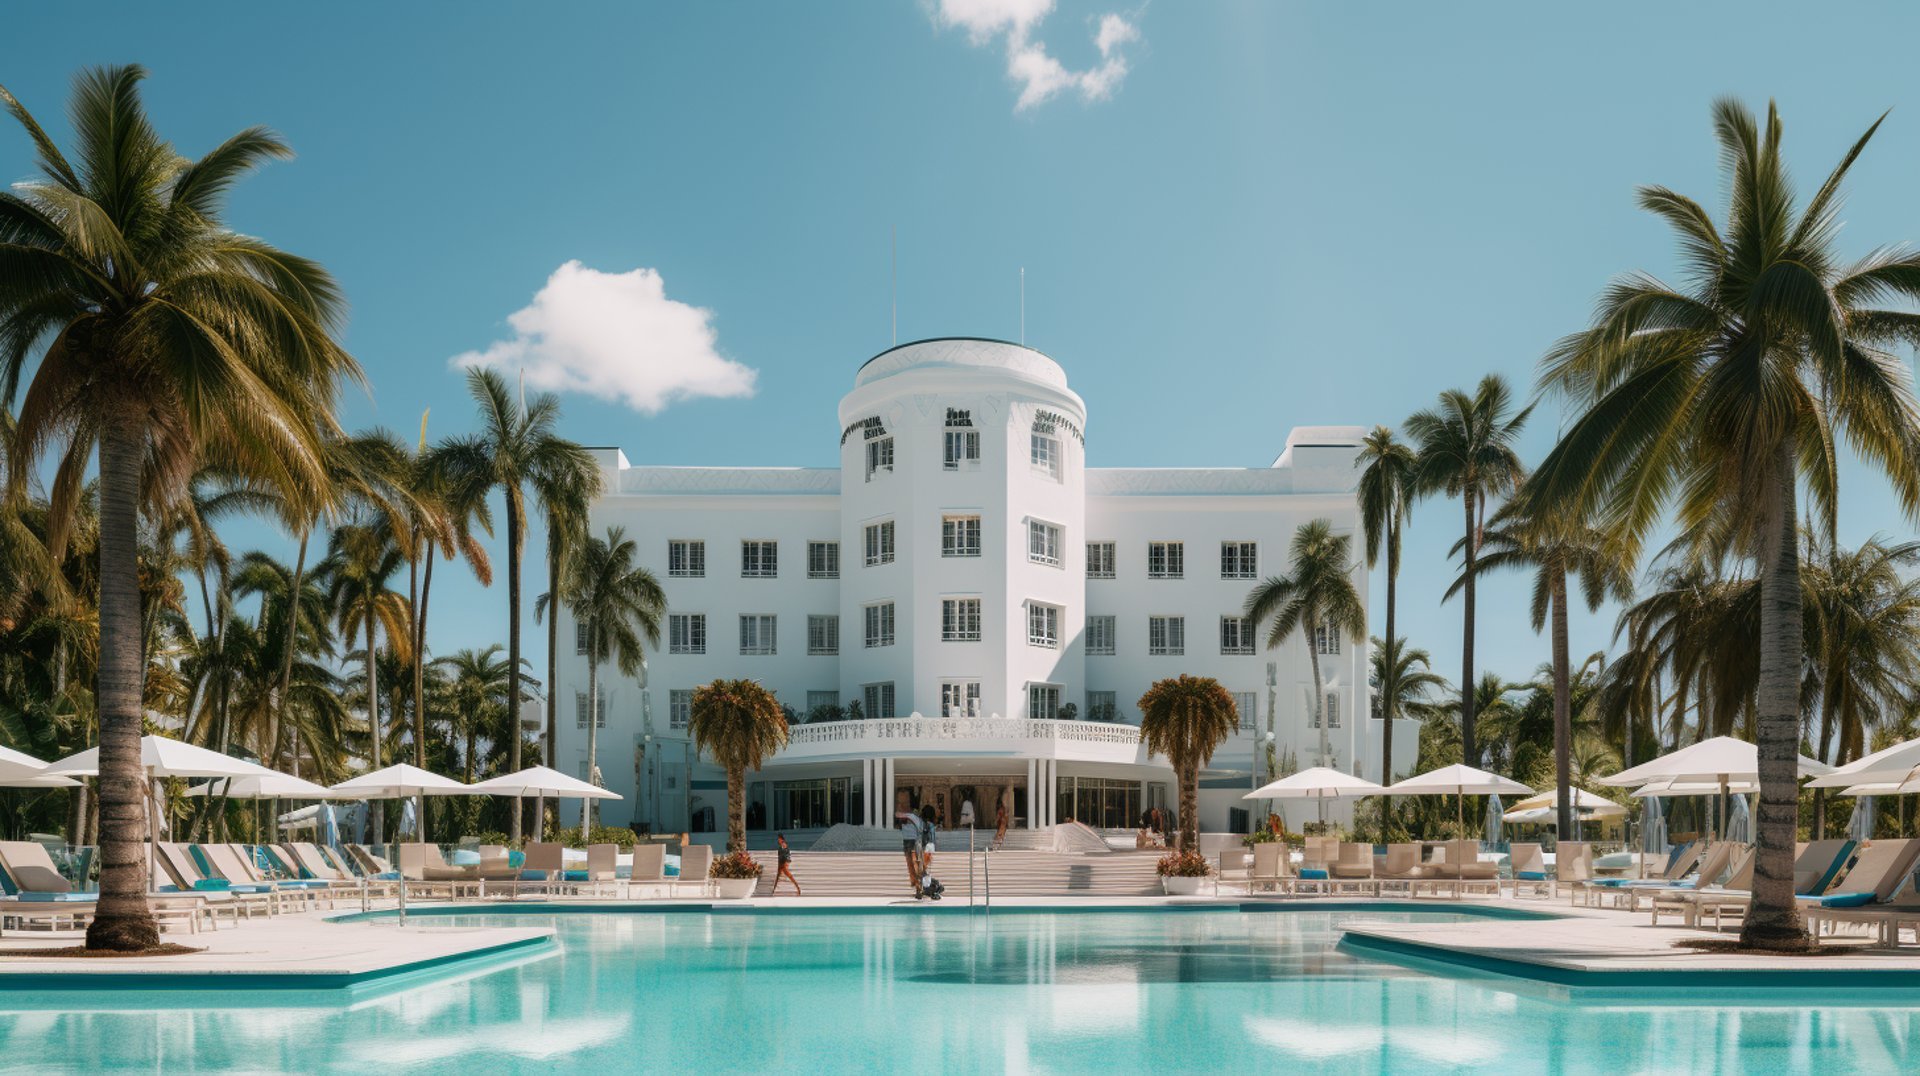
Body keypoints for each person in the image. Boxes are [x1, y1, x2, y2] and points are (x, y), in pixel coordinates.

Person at [896, 800, 924, 898]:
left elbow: (898, 814)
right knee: (912, 865)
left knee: (915, 865)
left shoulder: (914, 817)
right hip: (909, 842)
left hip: (913, 843)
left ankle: (919, 888)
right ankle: (917, 886)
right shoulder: (910, 821)